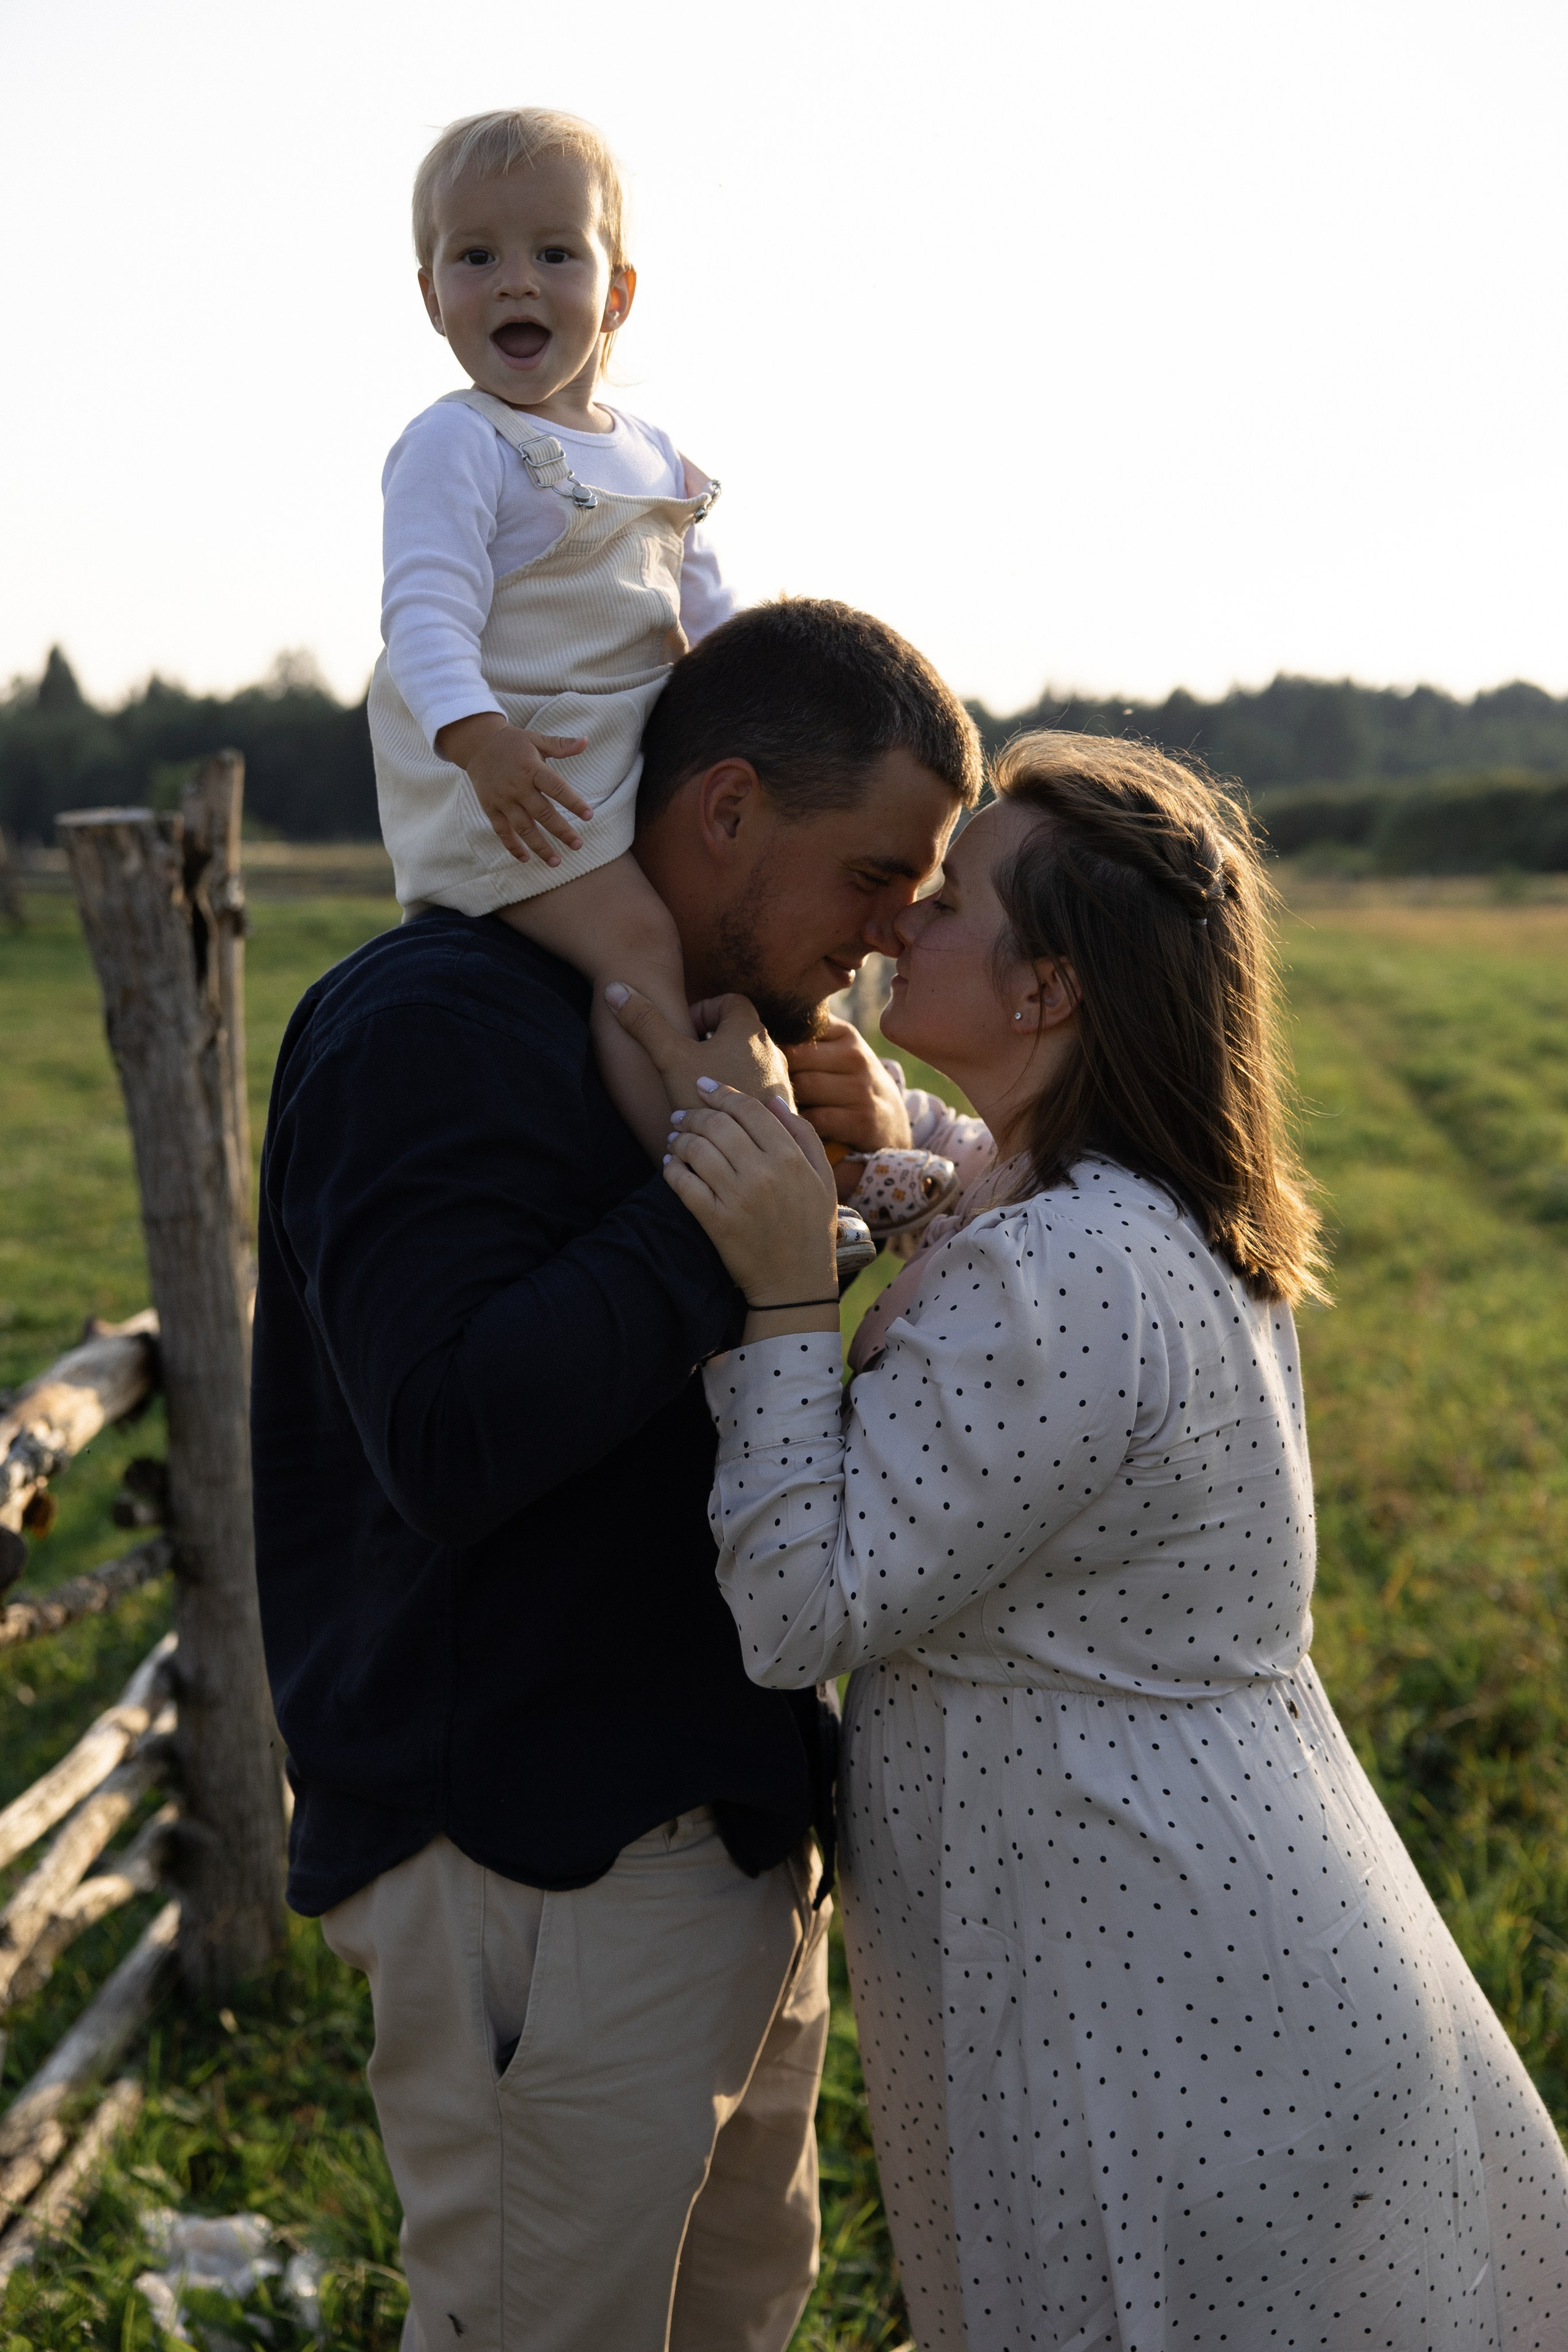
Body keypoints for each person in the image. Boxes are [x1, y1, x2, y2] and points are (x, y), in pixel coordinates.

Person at [626, 731, 1568, 2348]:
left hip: (1139, 1986)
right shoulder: (1107, 1201)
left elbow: (798, 1605)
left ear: (1050, 991)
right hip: (1186, 1914)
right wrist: (895, 1157)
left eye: (958, 897)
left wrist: (785, 1286)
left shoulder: (1067, 1273)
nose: (908, 914)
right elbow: (979, 1203)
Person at [251, 597, 982, 2352]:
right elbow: (443, 1437)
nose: (894, 936)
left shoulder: (730, 1041)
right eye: (875, 875)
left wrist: (821, 1205)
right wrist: (710, 1224)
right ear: (723, 809)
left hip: (726, 1838)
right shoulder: (434, 1025)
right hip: (530, 1860)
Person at [370, 104, 734, 1157]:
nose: (517, 281)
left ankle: (808, 1131)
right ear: (435, 297)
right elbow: (423, 614)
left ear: (616, 293)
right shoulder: (458, 442)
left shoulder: (658, 457)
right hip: (515, 783)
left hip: (623, 764)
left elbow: (711, 624)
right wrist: (479, 741)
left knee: (733, 926)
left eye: (555, 252)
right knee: (638, 940)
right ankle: (690, 1168)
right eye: (476, 256)